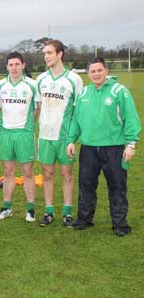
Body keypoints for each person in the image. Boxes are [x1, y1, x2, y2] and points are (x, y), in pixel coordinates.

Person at [67, 57, 141, 236]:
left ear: (106, 71)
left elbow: (131, 118)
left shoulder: (119, 91)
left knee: (117, 186)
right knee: (86, 185)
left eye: (99, 70)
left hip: (114, 149)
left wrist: (131, 145)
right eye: (92, 71)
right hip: (89, 148)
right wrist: (71, 140)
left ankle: (120, 224)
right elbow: (76, 120)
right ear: (88, 73)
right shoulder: (84, 93)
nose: (96, 74)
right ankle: (84, 219)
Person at [36, 40, 83, 227]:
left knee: (67, 175)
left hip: (64, 137)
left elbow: (78, 111)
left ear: (60, 54)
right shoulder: (41, 80)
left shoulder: (74, 79)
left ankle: (67, 212)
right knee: (47, 175)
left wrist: (72, 137)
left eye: (49, 52)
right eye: (44, 53)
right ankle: (49, 212)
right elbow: (39, 107)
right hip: (45, 136)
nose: (46, 56)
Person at [0, 52, 39, 222]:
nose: (14, 68)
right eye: (11, 65)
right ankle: (6, 208)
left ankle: (30, 209)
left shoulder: (32, 85)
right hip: (6, 133)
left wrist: (27, 126)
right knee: (8, 171)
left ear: (23, 65)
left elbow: (37, 108)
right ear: (7, 67)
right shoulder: (0, 85)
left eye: (17, 64)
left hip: (24, 134)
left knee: (27, 171)